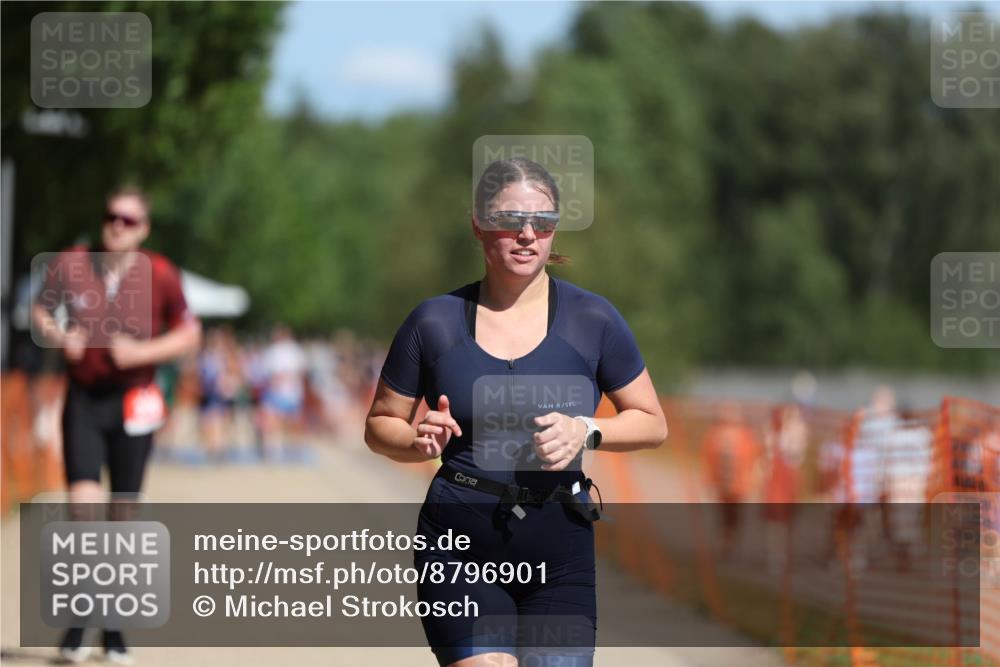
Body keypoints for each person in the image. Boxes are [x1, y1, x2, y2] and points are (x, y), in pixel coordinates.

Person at [364, 157, 667, 667]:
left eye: (543, 222)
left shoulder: (593, 320)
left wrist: (586, 430)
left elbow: (652, 422)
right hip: (459, 543)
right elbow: (379, 426)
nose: (527, 234)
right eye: (510, 220)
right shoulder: (433, 322)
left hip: (559, 547)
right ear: (479, 225)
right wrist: (416, 439)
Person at [32, 185, 202, 664]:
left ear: (143, 229)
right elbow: (39, 310)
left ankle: (113, 627)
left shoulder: (162, 274)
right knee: (83, 515)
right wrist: (59, 335)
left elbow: (190, 333)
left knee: (122, 518)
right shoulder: (70, 263)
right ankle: (78, 622)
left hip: (133, 403)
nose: (117, 226)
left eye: (128, 220)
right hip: (84, 400)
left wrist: (142, 353)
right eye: (111, 216)